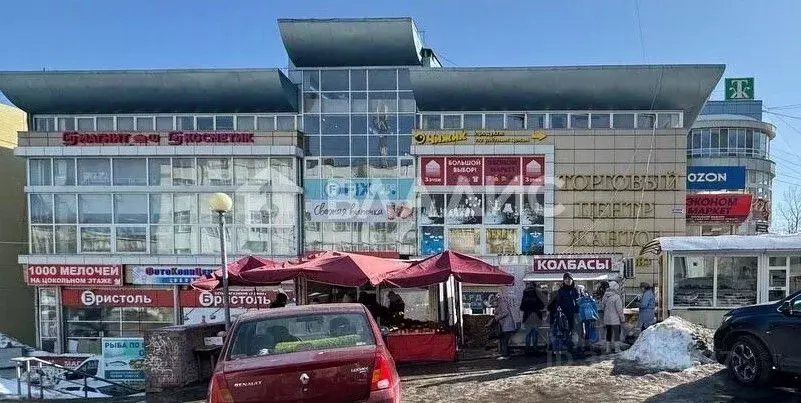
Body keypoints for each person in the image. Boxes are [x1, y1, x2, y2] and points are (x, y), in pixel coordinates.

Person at [487, 293, 516, 360]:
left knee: (504, 340)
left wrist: (496, 318)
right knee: (503, 340)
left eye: (492, 304)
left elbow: (505, 312)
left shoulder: (502, 303)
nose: (493, 306)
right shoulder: (500, 303)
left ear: (494, 300)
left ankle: (506, 355)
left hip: (507, 325)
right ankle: (504, 353)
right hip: (505, 325)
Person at [556, 273, 579, 352]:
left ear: (572, 280)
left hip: (575, 313)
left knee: (574, 330)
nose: (568, 281)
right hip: (565, 314)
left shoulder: (575, 290)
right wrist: (559, 311)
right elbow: (558, 303)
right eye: (566, 279)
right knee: (567, 330)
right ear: (563, 280)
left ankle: (574, 345)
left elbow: (578, 301)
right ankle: (568, 346)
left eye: (569, 279)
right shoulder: (561, 291)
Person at [600, 281, 625, 353]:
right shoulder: (617, 297)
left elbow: (602, 307)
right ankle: (617, 349)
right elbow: (619, 310)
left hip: (607, 319)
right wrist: (622, 319)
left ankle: (608, 349)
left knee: (608, 333)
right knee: (617, 333)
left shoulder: (605, 296)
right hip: (615, 319)